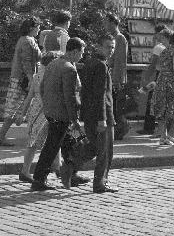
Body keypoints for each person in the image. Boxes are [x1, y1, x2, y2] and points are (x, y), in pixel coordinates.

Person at [30, 37, 87, 191]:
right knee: (53, 147)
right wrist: (74, 119)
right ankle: (39, 179)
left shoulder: (53, 63)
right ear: (74, 51)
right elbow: (69, 96)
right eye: (81, 52)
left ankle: (70, 175)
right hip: (62, 116)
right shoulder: (69, 68)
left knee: (69, 144)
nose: (82, 56)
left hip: (52, 112)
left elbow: (42, 88)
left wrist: (48, 107)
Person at [71, 34, 117, 193]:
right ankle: (100, 183)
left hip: (90, 114)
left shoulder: (90, 62)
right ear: (99, 46)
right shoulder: (100, 65)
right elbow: (100, 95)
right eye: (108, 46)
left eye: (112, 47)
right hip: (101, 116)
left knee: (92, 148)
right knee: (105, 152)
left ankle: (70, 169)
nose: (111, 50)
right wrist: (103, 119)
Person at [16, 51, 61, 183]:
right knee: (53, 140)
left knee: (35, 142)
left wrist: (22, 114)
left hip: (34, 112)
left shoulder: (36, 76)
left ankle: (26, 170)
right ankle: (55, 168)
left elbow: (29, 97)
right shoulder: (51, 76)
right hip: (46, 113)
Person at [1, 17, 42, 146]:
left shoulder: (27, 40)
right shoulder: (27, 41)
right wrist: (31, 79)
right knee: (14, 109)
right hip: (22, 80)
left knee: (17, 109)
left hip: (20, 78)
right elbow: (26, 62)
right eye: (38, 27)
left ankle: (2, 136)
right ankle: (1, 136)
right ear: (31, 28)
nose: (39, 29)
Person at [152, 30, 174, 146]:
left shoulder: (164, 51)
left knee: (162, 110)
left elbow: (158, 66)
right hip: (172, 83)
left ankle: (163, 137)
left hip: (161, 81)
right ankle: (171, 135)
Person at [137, 25, 167, 135]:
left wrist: (146, 77)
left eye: (156, 33)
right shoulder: (169, 47)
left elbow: (153, 64)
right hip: (167, 76)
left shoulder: (158, 47)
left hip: (159, 76)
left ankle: (149, 127)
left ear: (160, 34)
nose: (155, 35)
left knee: (152, 101)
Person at [106, 13, 129, 140]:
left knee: (116, 107)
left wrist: (117, 80)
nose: (105, 25)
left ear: (113, 23)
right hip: (111, 76)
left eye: (106, 22)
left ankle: (120, 130)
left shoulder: (119, 38)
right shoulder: (113, 37)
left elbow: (120, 60)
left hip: (115, 78)